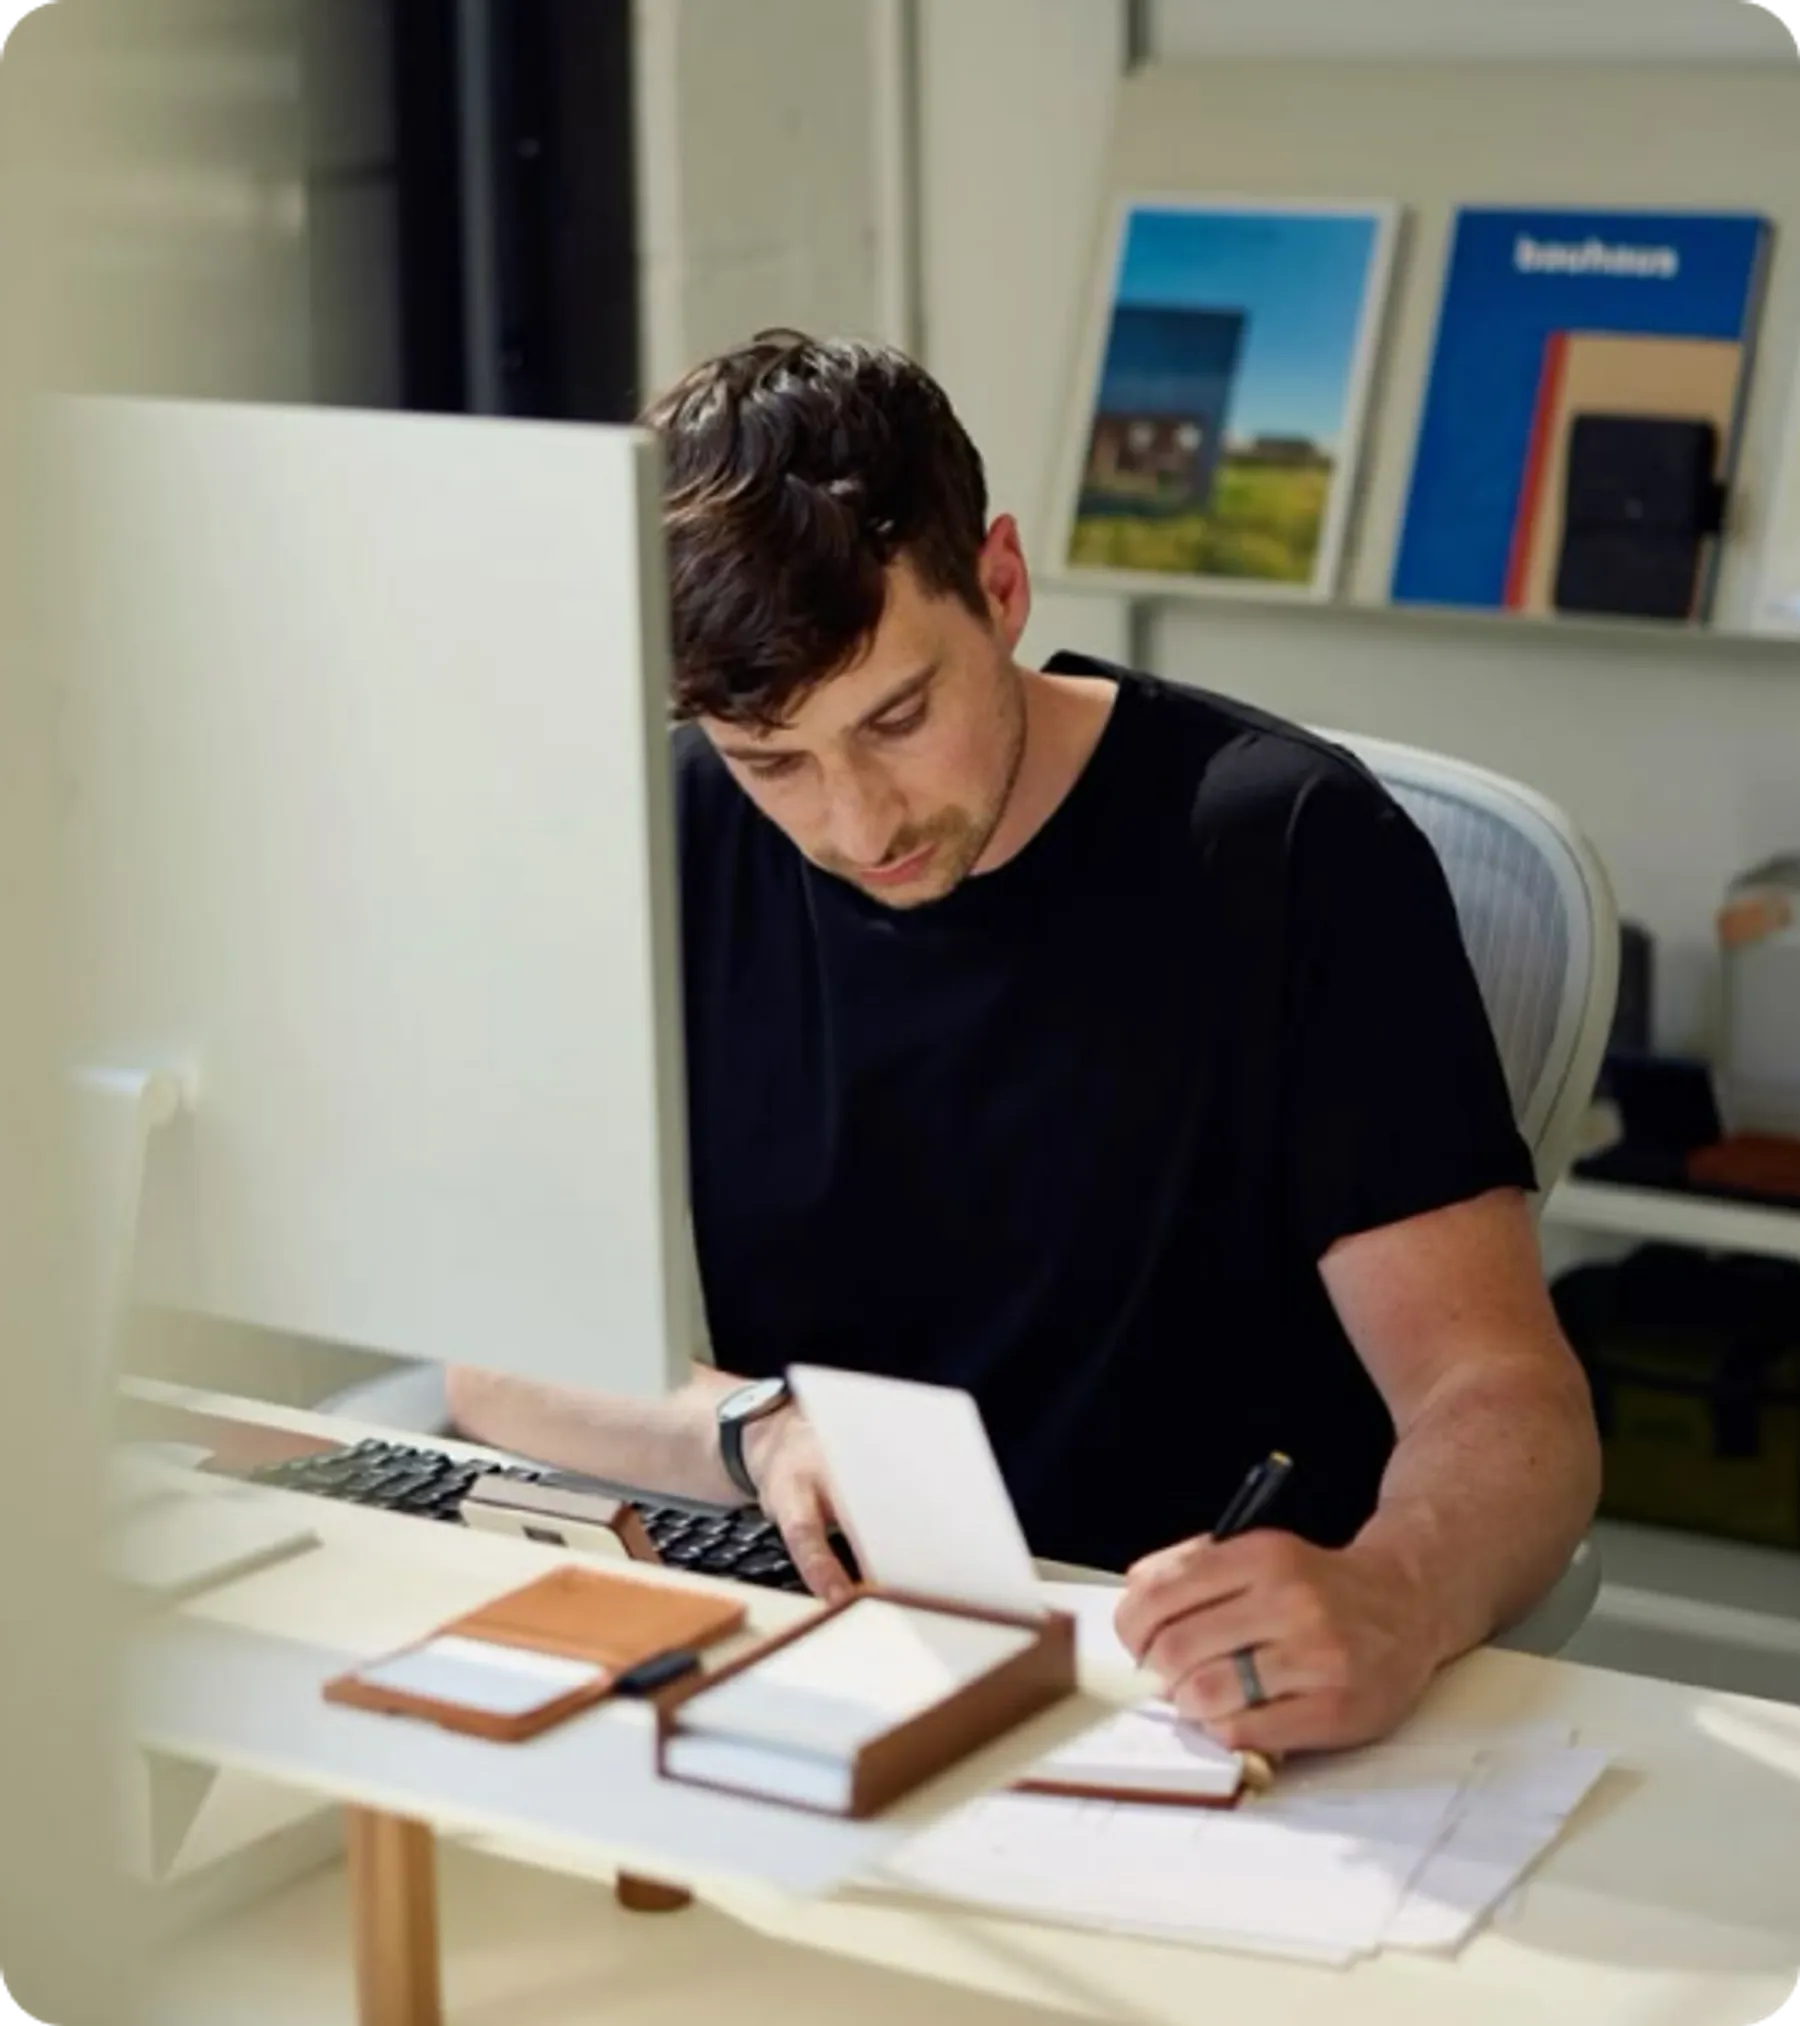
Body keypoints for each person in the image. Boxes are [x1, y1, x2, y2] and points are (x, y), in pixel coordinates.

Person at [447, 329, 1602, 1756]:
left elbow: (1504, 1397)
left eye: (899, 715)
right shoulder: (680, 831)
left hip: (1186, 1693)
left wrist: (1398, 1588)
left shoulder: (1289, 850)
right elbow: (494, 1355)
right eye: (775, 763)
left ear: (999, 585)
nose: (855, 823)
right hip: (845, 1664)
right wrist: (755, 1428)